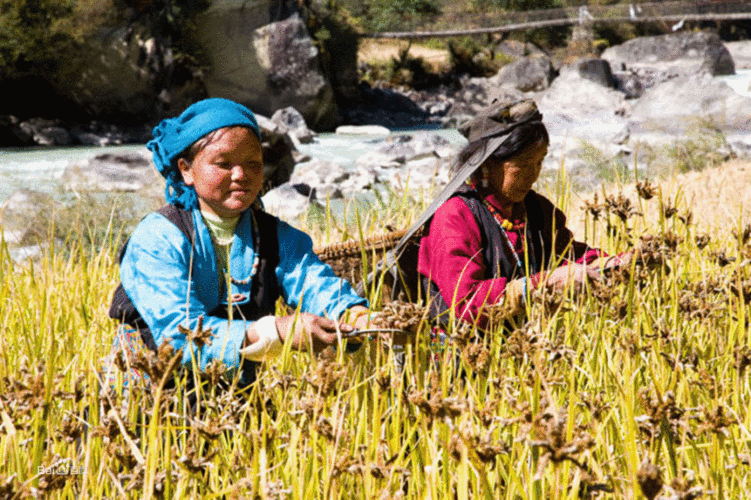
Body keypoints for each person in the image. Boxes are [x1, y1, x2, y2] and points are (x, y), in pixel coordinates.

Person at [107, 98, 373, 389]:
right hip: (147, 403)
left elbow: (315, 284)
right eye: (223, 164)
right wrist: (275, 330)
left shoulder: (276, 237)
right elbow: (178, 334)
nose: (241, 175)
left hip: (234, 398)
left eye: (252, 164)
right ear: (186, 169)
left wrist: (357, 317)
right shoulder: (157, 239)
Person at [414, 98, 627, 330]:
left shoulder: (536, 209)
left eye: (539, 162)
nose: (534, 175)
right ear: (487, 164)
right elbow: (467, 303)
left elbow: (569, 255)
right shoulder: (455, 216)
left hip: (528, 346)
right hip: (462, 354)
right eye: (523, 165)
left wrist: (618, 264)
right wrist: (544, 284)